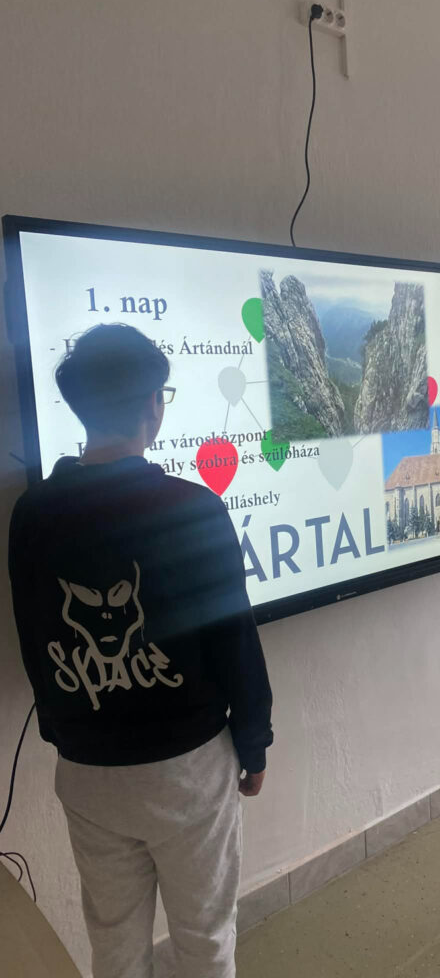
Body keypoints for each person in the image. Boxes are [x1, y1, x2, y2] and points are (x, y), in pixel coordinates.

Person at [8, 323, 273, 978]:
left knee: (115, 945)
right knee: (204, 937)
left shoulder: (31, 514)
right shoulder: (192, 507)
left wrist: (63, 731)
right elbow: (235, 640)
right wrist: (254, 743)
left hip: (87, 770)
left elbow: (34, 634)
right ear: (154, 406)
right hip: (186, 769)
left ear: (79, 406)